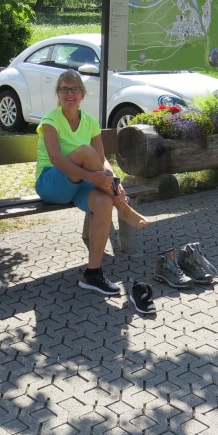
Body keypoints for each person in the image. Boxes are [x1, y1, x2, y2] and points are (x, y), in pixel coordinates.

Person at [35, 70, 148, 296]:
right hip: (51, 183)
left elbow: (103, 160)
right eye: (64, 89)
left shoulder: (90, 122)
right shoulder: (50, 120)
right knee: (86, 152)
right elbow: (56, 159)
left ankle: (93, 274)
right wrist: (94, 178)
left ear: (83, 93)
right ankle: (122, 205)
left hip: (80, 183)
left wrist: (112, 180)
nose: (70, 93)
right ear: (58, 93)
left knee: (104, 203)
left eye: (75, 89)